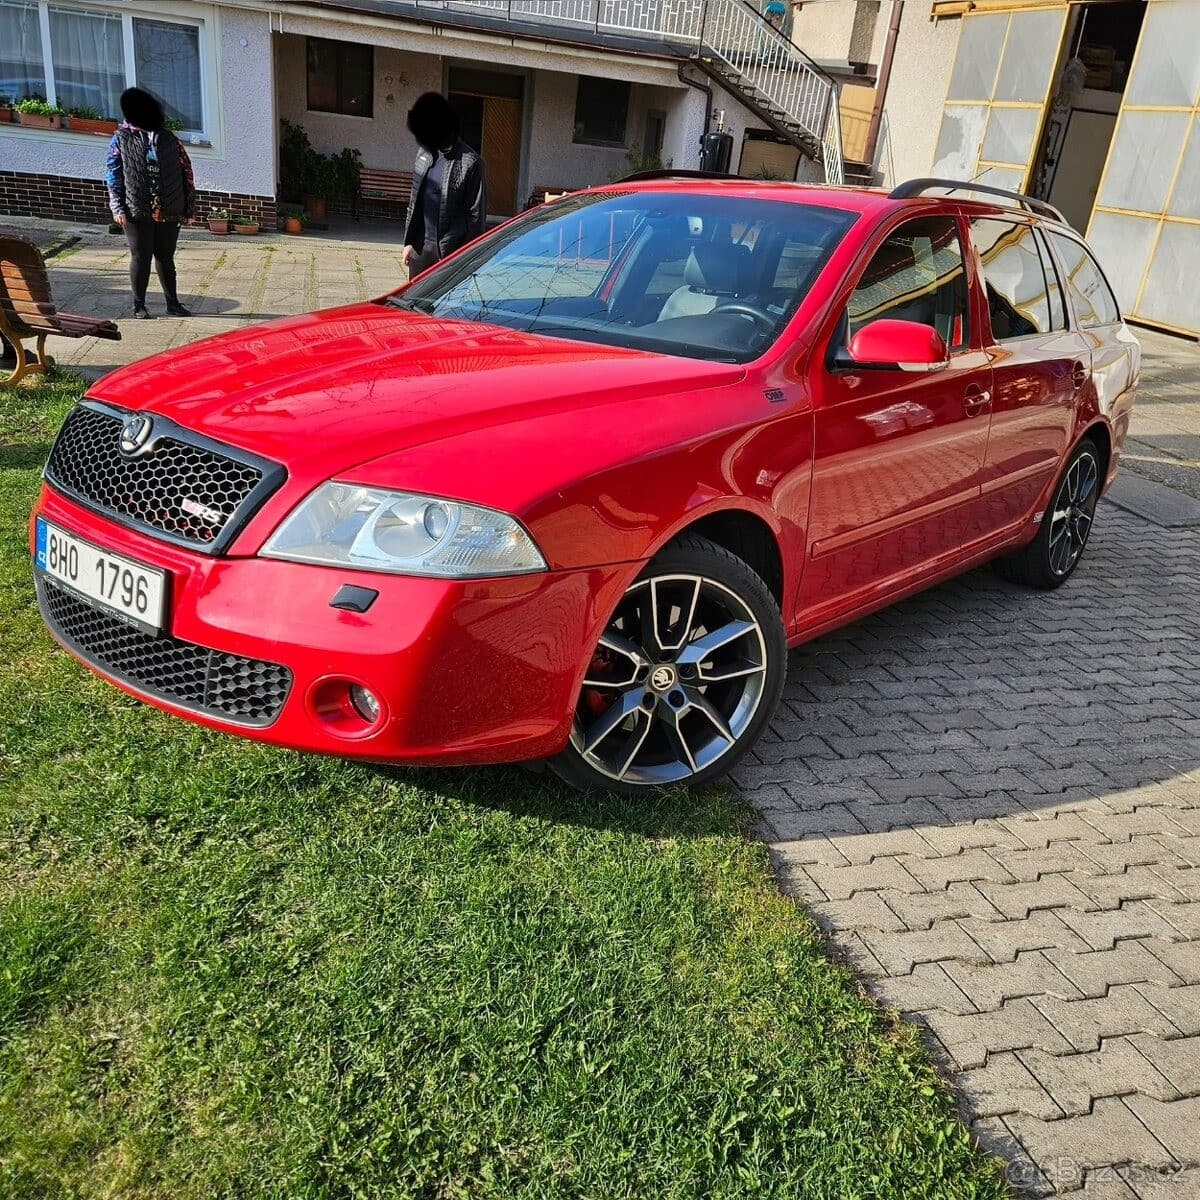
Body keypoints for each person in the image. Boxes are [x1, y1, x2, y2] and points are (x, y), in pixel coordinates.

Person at [106, 87, 196, 319]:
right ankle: (139, 305)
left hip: (169, 208)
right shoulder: (121, 138)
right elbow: (114, 174)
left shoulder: (169, 139)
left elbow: (187, 173)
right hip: (136, 207)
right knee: (141, 256)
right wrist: (117, 206)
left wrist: (189, 207)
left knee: (166, 258)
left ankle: (173, 303)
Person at [402, 92, 486, 277]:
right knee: (412, 304)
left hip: (449, 253)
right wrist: (408, 242)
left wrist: (463, 259)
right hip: (420, 250)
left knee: (444, 307)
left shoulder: (471, 162)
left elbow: (475, 218)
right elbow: (414, 202)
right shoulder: (423, 154)